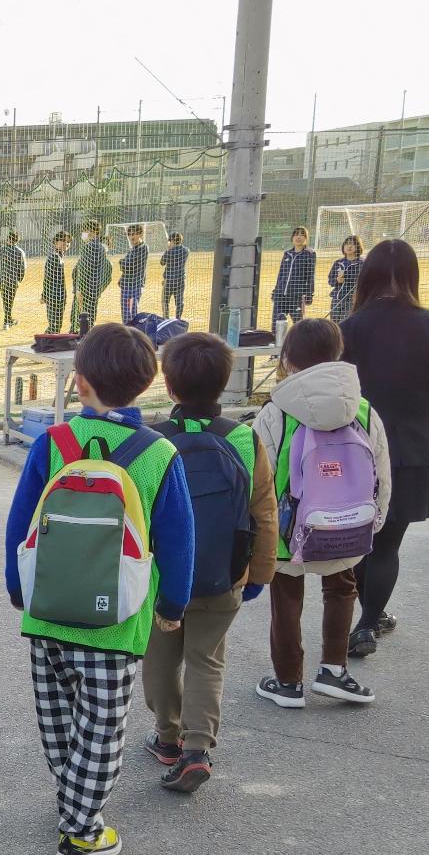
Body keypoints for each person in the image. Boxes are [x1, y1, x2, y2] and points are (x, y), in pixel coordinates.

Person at [3, 324, 194, 855]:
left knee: (58, 718)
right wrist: (172, 605)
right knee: (103, 725)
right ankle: (82, 830)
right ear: (147, 384)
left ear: (78, 383)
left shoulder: (52, 445)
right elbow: (179, 540)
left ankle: (72, 798)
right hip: (116, 620)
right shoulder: (159, 454)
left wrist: (20, 589)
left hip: (48, 614)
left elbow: (21, 524)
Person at [140, 334, 279, 792]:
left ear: (170, 386)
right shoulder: (243, 438)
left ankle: (167, 738)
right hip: (226, 574)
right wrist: (259, 573)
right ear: (223, 385)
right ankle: (198, 748)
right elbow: (264, 509)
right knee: (207, 660)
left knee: (161, 659)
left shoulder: (154, 441)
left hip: (163, 579)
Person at [252, 317, 391, 709]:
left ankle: (288, 681)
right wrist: (375, 519)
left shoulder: (277, 411)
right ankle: (334, 670)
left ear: (289, 360)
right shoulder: (362, 408)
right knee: (342, 586)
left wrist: (258, 529)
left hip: (289, 526)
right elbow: (381, 468)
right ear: (336, 354)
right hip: (349, 523)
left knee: (286, 596)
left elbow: (259, 474)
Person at [341, 238, 429, 657]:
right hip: (414, 450)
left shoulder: (348, 329)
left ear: (366, 275)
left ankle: (370, 613)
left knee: (358, 539)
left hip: (357, 449)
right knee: (389, 543)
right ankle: (369, 622)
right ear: (413, 276)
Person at [270, 225, 318, 325]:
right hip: (281, 295)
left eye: (302, 234)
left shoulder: (309, 254)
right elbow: (281, 274)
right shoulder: (287, 253)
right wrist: (276, 291)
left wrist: (309, 294)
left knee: (299, 325)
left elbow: (310, 276)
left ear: (306, 238)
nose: (299, 237)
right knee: (276, 323)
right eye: (296, 234)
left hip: (296, 296)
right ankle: (278, 341)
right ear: (292, 237)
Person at [71, 221, 113, 332]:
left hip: (84, 291)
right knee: (90, 318)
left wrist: (79, 289)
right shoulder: (101, 248)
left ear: (93, 232)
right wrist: (99, 289)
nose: (83, 233)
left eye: (85, 230)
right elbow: (107, 273)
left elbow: (83, 270)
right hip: (94, 291)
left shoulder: (88, 247)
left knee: (80, 321)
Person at [328, 234, 366, 322]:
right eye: (347, 244)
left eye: (353, 244)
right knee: (334, 325)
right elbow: (330, 280)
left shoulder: (363, 263)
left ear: (358, 246)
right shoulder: (338, 262)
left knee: (346, 324)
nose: (349, 246)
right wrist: (337, 280)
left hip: (352, 301)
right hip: (337, 299)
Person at [0, 231, 27, 329]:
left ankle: (8, 320)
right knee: (10, 301)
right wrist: (19, 279)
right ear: (17, 240)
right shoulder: (20, 252)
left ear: (8, 239)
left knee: (5, 300)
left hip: (2, 279)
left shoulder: (2, 249)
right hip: (13, 280)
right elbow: (23, 268)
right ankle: (7, 321)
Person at [40, 229, 71, 333]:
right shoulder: (54, 257)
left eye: (68, 242)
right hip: (53, 296)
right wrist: (44, 295)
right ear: (56, 242)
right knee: (54, 325)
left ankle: (47, 343)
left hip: (59, 296)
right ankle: (45, 343)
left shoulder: (60, 256)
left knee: (57, 325)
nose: (66, 243)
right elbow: (48, 277)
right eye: (63, 241)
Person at [118, 223, 149, 324]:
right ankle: (127, 331)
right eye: (130, 234)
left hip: (136, 284)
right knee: (125, 311)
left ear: (140, 234)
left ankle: (134, 332)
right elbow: (126, 266)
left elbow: (130, 265)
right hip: (126, 285)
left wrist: (122, 262)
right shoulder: (131, 250)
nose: (132, 236)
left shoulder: (143, 248)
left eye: (134, 234)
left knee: (133, 311)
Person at [160, 231, 190, 319]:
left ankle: (166, 318)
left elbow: (162, 262)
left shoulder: (169, 252)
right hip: (180, 280)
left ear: (172, 240)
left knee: (165, 301)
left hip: (169, 280)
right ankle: (178, 318)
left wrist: (168, 249)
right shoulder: (186, 250)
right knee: (179, 301)